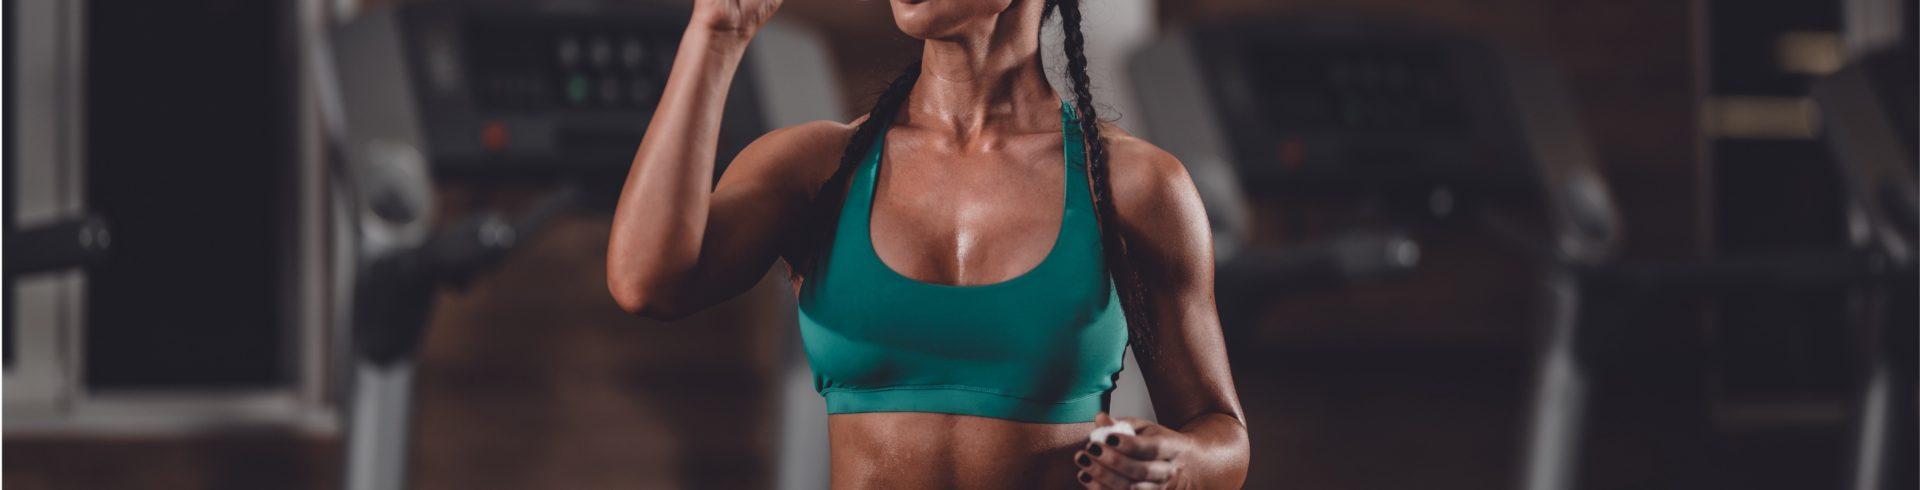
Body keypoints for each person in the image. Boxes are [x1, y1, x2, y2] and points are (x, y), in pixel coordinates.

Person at [605, 0, 1248, 487]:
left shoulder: (1136, 185)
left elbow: (1224, 437)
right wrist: (716, 36)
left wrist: (1179, 461)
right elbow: (646, 282)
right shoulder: (820, 165)